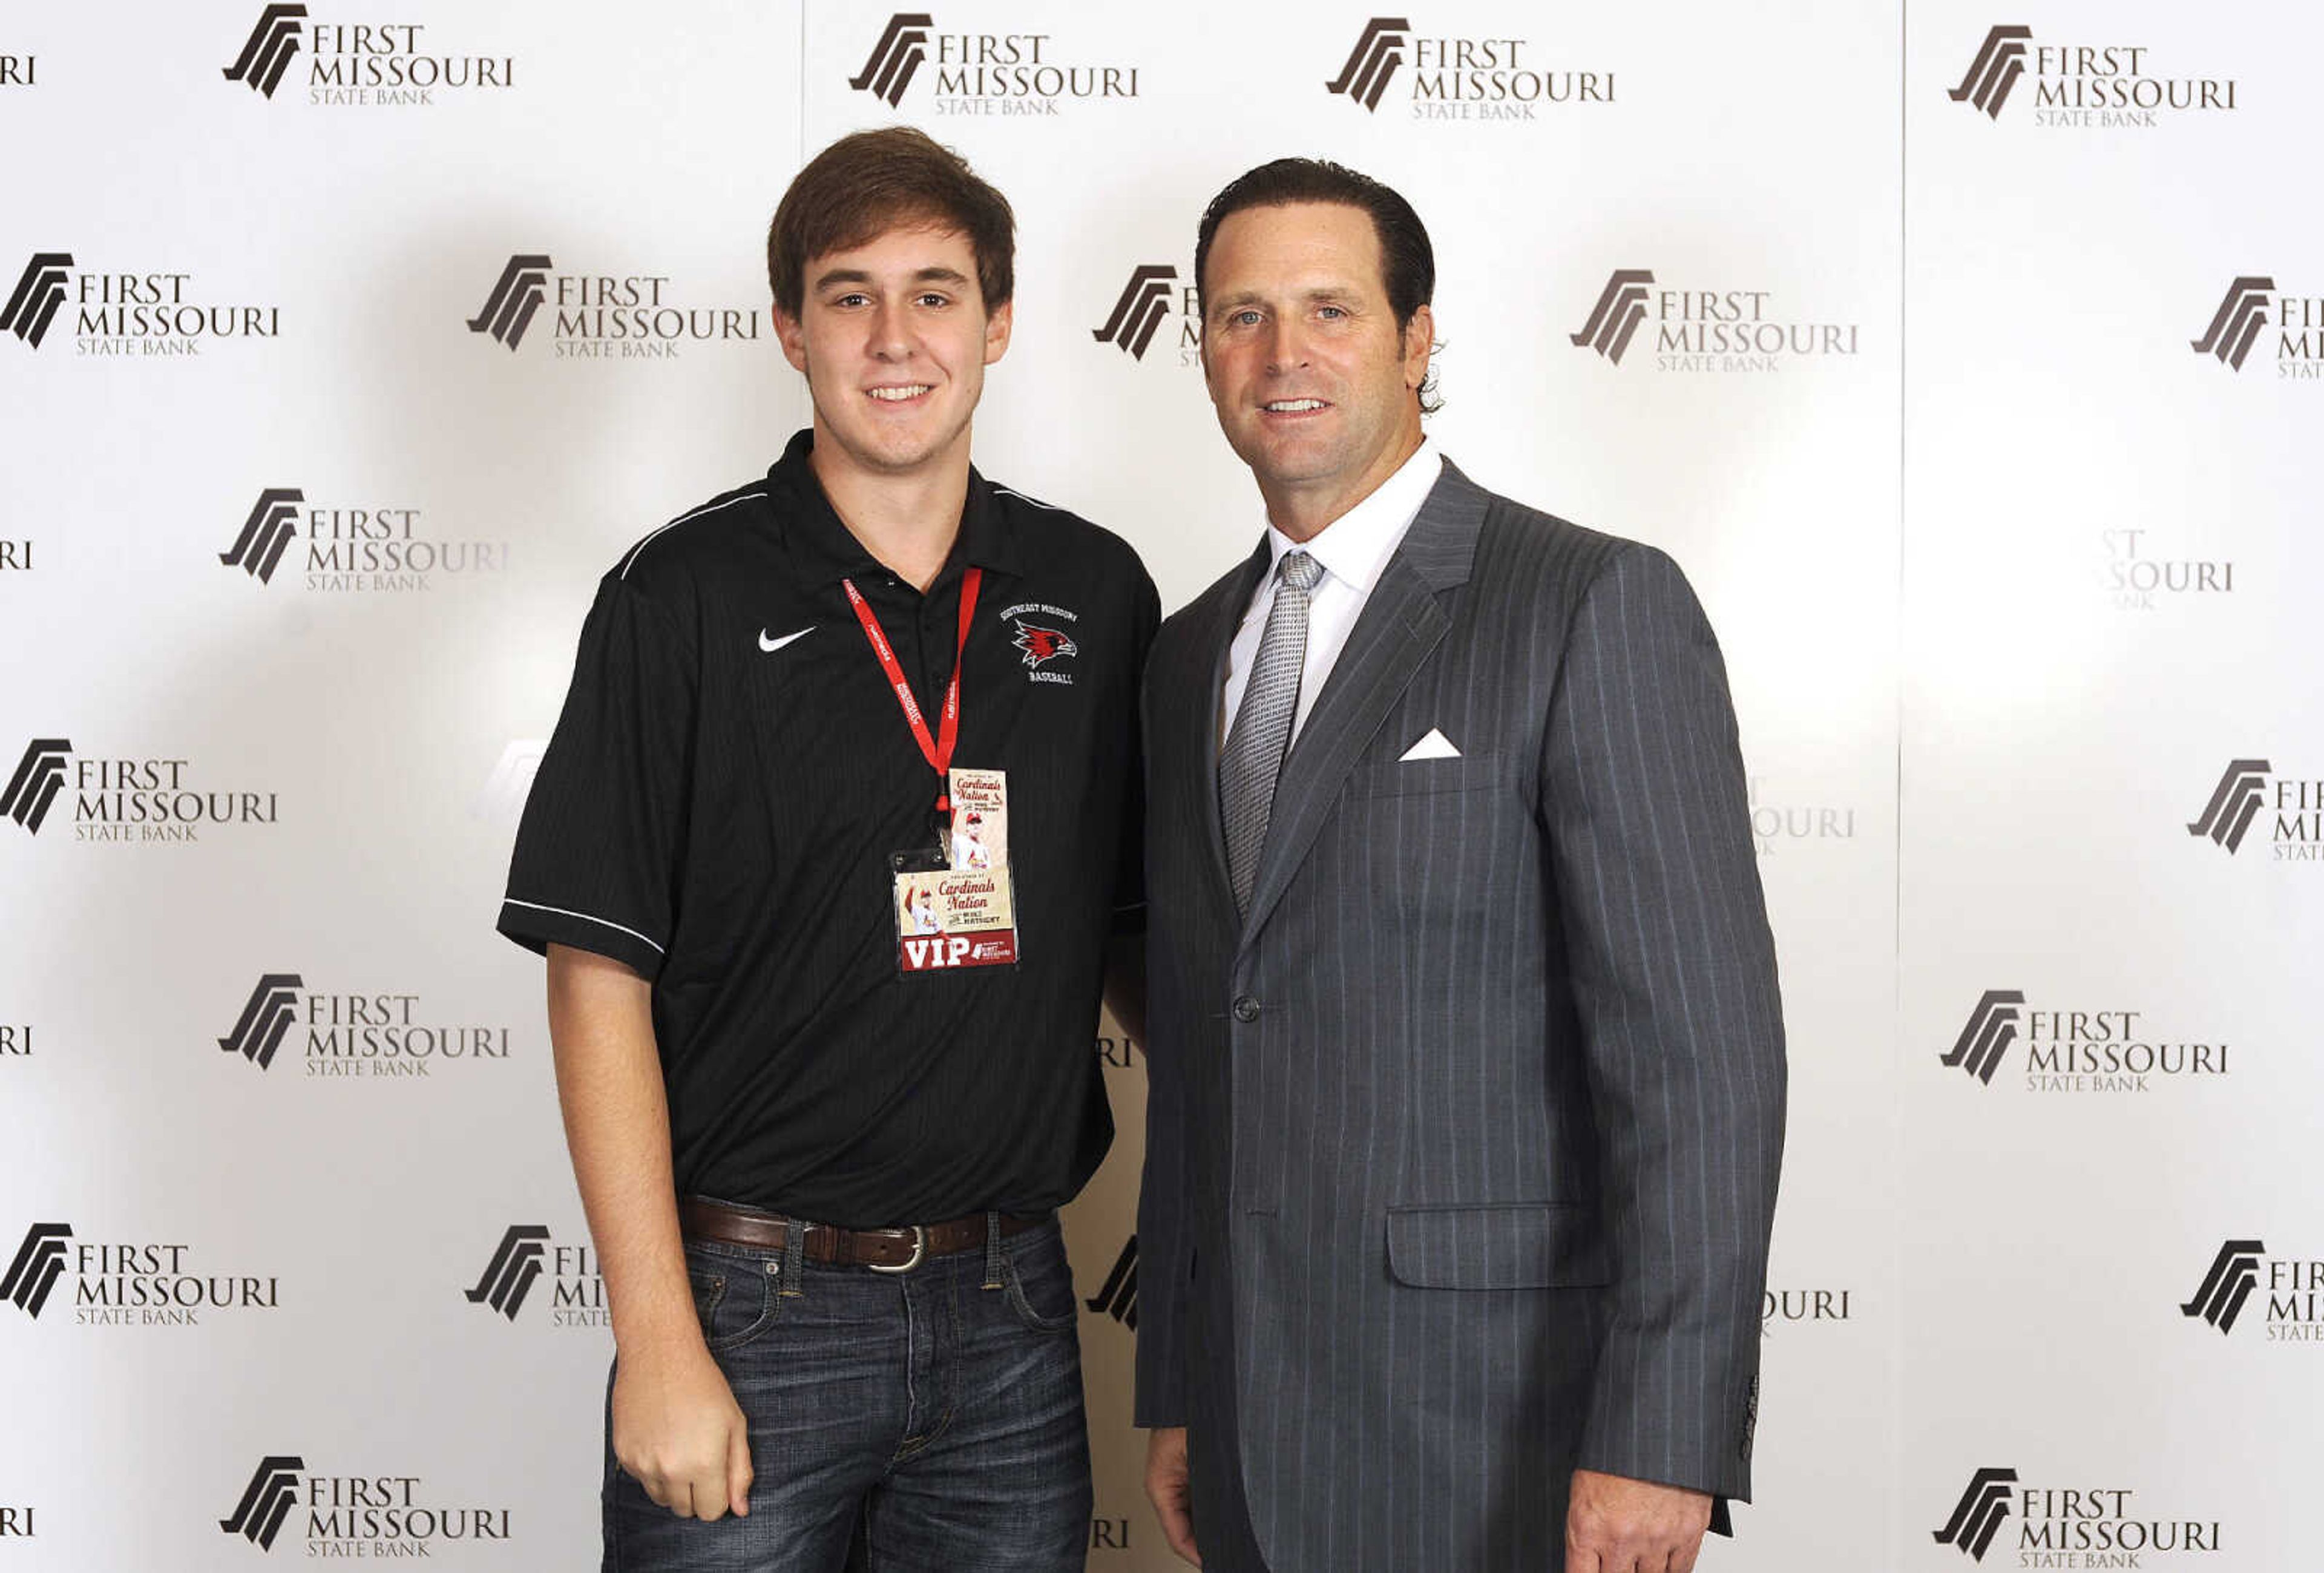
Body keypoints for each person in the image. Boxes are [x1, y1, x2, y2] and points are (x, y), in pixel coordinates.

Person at [497, 126, 1156, 1573]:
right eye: (849, 294)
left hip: (1014, 1316)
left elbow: (1143, 948)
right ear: (790, 329)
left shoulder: (1095, 594)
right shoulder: (679, 593)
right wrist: (657, 1338)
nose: (895, 336)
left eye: (935, 291)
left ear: (998, 321)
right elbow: (594, 973)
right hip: (752, 1308)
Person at [1135, 157, 1786, 1573]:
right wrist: (1184, 1379)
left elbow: (1701, 1065)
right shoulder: (1187, 655)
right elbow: (1204, 1048)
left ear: (1419, 337)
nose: (1283, 354)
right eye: (1241, 315)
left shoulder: (1589, 603)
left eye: (1331, 309)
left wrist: (1663, 1434)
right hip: (1252, 1425)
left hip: (1508, 1438)